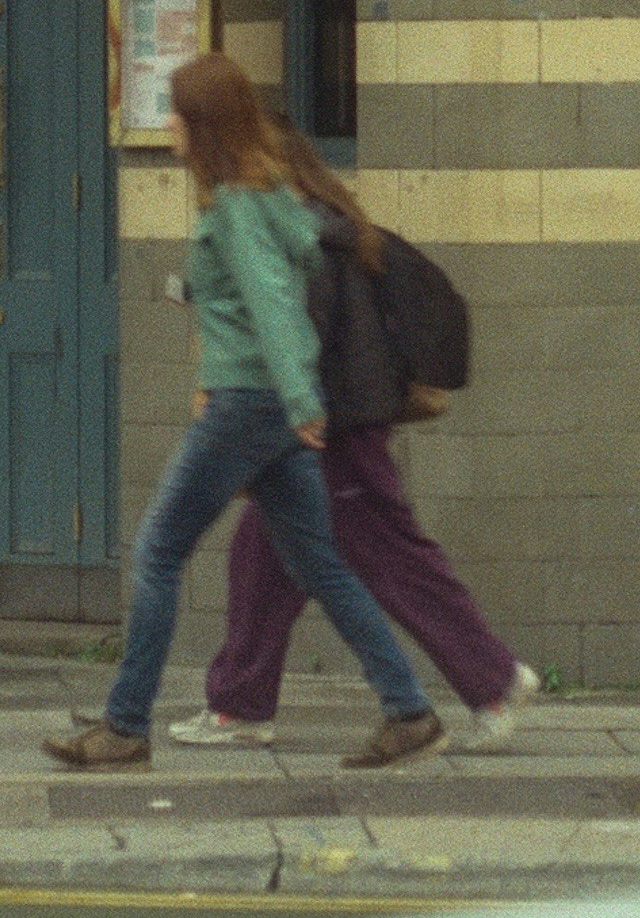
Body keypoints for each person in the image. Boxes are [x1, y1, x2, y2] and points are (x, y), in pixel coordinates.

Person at [48, 52, 443, 772]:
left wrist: (299, 400)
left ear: (202, 126)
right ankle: (408, 709)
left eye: (175, 111)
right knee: (319, 562)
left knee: (158, 550)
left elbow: (275, 307)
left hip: (253, 405)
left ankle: (126, 724)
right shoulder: (265, 196)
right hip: (265, 403)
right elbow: (273, 286)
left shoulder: (235, 209)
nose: (166, 122)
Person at [180, 283, 542, 748]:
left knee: (393, 559)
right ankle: (239, 706)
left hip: (337, 429)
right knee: (263, 556)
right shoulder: (330, 234)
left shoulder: (311, 237)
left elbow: (298, 333)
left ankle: (496, 683)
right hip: (331, 421)